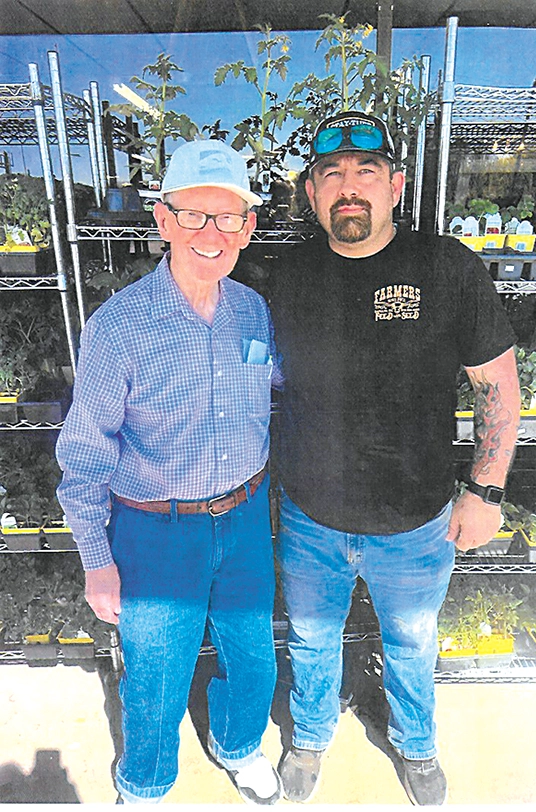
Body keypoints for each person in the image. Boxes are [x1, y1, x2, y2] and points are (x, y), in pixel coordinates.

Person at [268, 112, 521, 806]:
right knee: (312, 644)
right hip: (311, 517)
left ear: (397, 186)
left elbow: (496, 384)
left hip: (415, 522)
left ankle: (415, 745)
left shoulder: (445, 268)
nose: (349, 189)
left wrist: (486, 492)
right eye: (332, 176)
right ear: (312, 194)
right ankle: (310, 738)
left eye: (365, 173)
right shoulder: (284, 277)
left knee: (412, 644)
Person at [56, 140, 283, 806]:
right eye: (194, 216)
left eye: (228, 218)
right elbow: (86, 452)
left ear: (247, 227)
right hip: (155, 533)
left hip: (243, 520)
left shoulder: (252, 309)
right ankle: (146, 783)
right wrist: (97, 560)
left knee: (253, 658)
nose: (211, 234)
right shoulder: (119, 328)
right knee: (155, 677)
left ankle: (239, 747)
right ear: (162, 221)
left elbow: (275, 392)